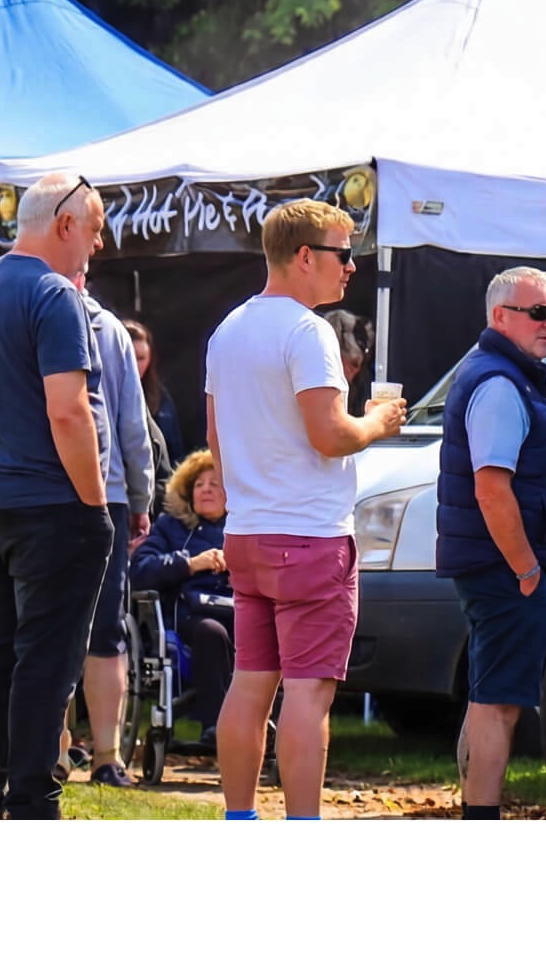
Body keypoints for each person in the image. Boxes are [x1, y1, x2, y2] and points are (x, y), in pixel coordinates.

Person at [202, 199, 405, 821]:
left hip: (249, 534)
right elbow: (330, 436)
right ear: (305, 257)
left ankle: (239, 818)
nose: (351, 268)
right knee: (308, 696)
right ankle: (302, 826)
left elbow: (216, 442)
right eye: (344, 255)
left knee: (250, 684)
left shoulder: (227, 329)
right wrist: (377, 422)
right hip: (310, 536)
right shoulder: (308, 331)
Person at [0, 171, 115, 820]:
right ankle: (32, 805)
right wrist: (96, 505)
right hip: (50, 504)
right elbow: (69, 411)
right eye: (96, 229)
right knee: (45, 666)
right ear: (66, 225)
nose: (98, 245)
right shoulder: (54, 293)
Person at [434, 267, 546, 820]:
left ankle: (477, 815)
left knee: (487, 698)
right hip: (507, 571)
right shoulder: (500, 383)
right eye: (537, 312)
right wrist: (526, 569)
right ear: (500, 317)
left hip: (495, 567)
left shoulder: (503, 374)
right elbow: (492, 489)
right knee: (499, 706)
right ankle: (482, 818)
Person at [70, 273, 154, 788]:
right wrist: (142, 499)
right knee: (104, 631)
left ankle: (55, 754)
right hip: (107, 495)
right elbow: (131, 424)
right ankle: (107, 757)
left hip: (40, 496)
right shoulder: (108, 328)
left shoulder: (7, 311)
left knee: (46, 631)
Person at [129, 449, 231, 757]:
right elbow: (141, 571)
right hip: (190, 617)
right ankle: (215, 726)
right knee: (211, 633)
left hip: (241, 609)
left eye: (215, 483)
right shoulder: (171, 527)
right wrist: (191, 563)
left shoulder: (246, 529)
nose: (206, 489)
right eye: (199, 484)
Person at [123, 318, 178, 502]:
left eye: (141, 358)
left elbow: (175, 449)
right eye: (130, 356)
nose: (135, 365)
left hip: (159, 491)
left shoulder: (160, 397)